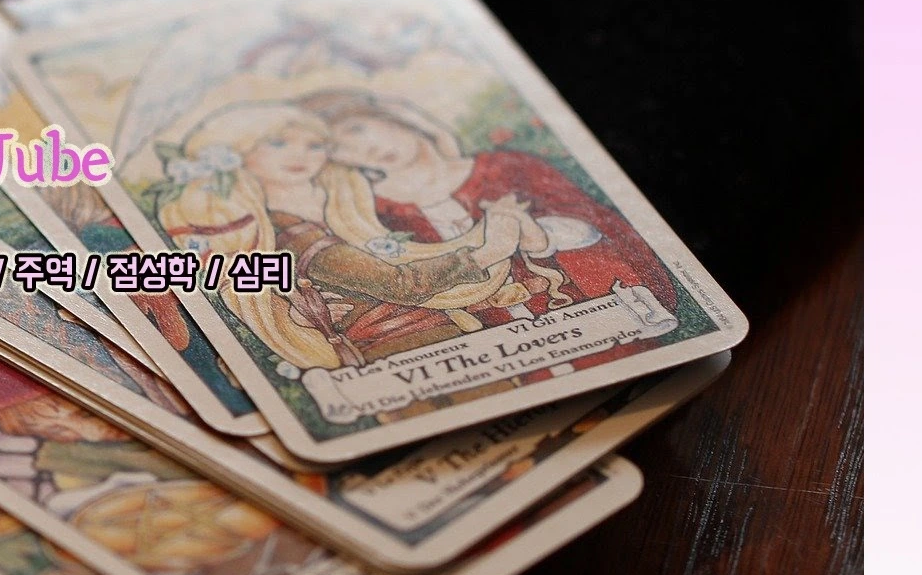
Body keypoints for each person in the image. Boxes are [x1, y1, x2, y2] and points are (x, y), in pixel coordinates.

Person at [149, 102, 533, 370]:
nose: (301, 155)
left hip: (445, 340)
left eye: (315, 145)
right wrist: (489, 251)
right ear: (238, 153)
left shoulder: (343, 206)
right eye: (278, 143)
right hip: (400, 353)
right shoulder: (287, 231)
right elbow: (401, 284)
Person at [297, 89, 677, 328]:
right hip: (493, 351)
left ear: (393, 117)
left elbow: (612, 236)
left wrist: (538, 235)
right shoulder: (374, 216)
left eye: (358, 130)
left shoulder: (509, 168)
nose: (363, 149)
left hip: (595, 322)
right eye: (340, 148)